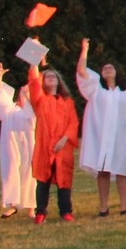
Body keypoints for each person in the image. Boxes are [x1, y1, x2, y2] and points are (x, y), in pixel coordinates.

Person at [73, 38, 126, 217]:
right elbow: (82, 72)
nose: (107, 69)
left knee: (122, 170)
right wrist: (84, 50)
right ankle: (103, 207)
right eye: (104, 68)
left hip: (122, 137)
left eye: (110, 67)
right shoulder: (97, 90)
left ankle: (124, 206)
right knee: (103, 170)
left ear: (117, 72)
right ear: (101, 74)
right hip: (102, 136)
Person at [27, 58, 81, 222]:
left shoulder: (67, 101)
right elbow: (34, 82)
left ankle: (65, 211)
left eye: (53, 76)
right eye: (47, 77)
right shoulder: (40, 100)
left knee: (64, 180)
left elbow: (73, 122)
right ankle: (41, 212)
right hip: (45, 146)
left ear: (59, 81)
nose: (50, 78)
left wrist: (64, 139)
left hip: (63, 146)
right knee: (43, 180)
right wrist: (34, 61)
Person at [0, 63, 37, 218]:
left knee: (30, 172)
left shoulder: (31, 109)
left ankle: (31, 207)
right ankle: (12, 204)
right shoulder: (10, 110)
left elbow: (34, 115)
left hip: (29, 144)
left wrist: (28, 94)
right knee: (11, 171)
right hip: (11, 144)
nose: (24, 88)